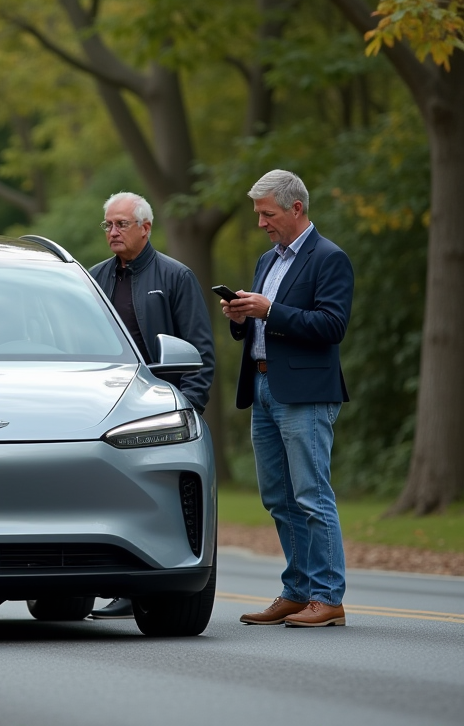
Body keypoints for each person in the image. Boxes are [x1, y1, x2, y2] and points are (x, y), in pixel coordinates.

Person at [223, 169, 353, 628]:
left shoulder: (329, 258)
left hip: (306, 394)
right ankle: (298, 591)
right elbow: (261, 325)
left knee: (312, 495)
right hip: (263, 387)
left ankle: (328, 597)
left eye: (267, 213)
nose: (261, 222)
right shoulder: (267, 261)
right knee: (278, 497)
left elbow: (332, 326)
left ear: (296, 209)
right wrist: (242, 316)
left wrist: (271, 310)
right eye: (259, 213)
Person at [87, 191, 215, 619]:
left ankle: (138, 586)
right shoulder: (93, 280)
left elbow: (200, 353)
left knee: (144, 502)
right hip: (100, 411)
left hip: (154, 415)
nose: (113, 232)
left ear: (146, 227)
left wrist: (187, 409)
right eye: (107, 224)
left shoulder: (176, 276)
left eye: (121, 224)